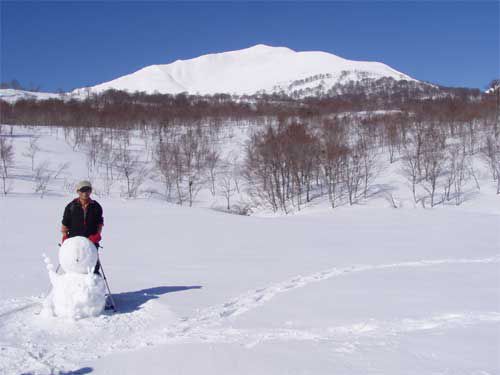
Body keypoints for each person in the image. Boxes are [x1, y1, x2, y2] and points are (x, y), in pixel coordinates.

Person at [61, 180, 104, 274]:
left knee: (93, 268)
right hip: (74, 243)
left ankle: (93, 287)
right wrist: (65, 238)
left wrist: (97, 235)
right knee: (72, 265)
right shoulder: (71, 206)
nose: (85, 193)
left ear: (90, 191)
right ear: (78, 191)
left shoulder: (96, 206)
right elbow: (65, 224)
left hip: (91, 241)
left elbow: (99, 223)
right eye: (82, 190)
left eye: (87, 190)